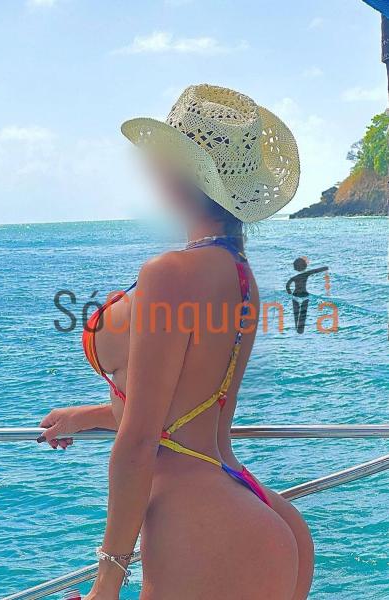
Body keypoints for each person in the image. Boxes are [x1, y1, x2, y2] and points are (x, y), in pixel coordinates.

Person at [39, 84, 314, 599]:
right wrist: (91, 415)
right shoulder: (239, 273)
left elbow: (140, 441)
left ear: (176, 171)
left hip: (200, 525)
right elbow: (188, 405)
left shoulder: (169, 274)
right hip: (251, 505)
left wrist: (106, 583)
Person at [286, 257, 328, 334]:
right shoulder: (306, 274)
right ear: (305, 266)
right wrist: (325, 268)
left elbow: (288, 285)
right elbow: (315, 271)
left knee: (296, 312)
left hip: (295, 295)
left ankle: (297, 328)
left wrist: (289, 293)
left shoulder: (294, 277)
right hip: (304, 295)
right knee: (303, 312)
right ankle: (300, 329)